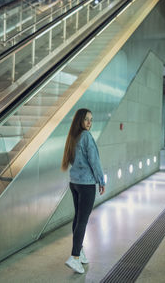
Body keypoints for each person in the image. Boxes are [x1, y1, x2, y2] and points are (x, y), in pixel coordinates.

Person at [61, 108, 105, 274]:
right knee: (82, 220)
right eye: (86, 119)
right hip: (86, 184)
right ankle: (74, 257)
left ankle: (79, 250)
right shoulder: (86, 136)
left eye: (91, 120)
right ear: (80, 120)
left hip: (75, 183)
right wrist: (101, 180)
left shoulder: (73, 137)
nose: (89, 123)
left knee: (78, 218)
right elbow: (95, 161)